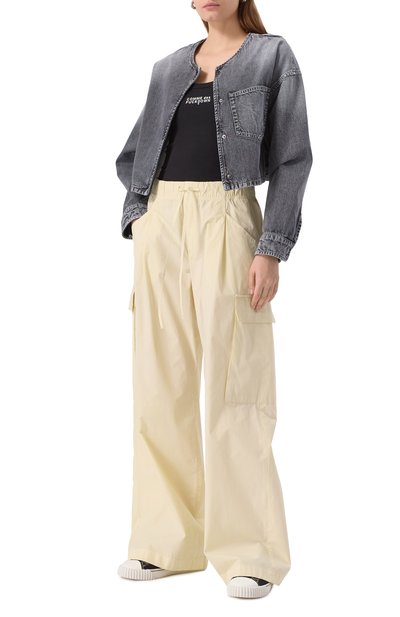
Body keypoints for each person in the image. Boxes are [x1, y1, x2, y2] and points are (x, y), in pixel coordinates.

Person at [115, 0, 313, 601]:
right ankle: (165, 543)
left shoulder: (271, 56)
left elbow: (293, 159)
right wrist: (142, 216)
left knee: (237, 387)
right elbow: (132, 155)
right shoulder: (168, 67)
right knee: (160, 385)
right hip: (161, 224)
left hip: (228, 218)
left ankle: (251, 553)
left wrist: (271, 247)